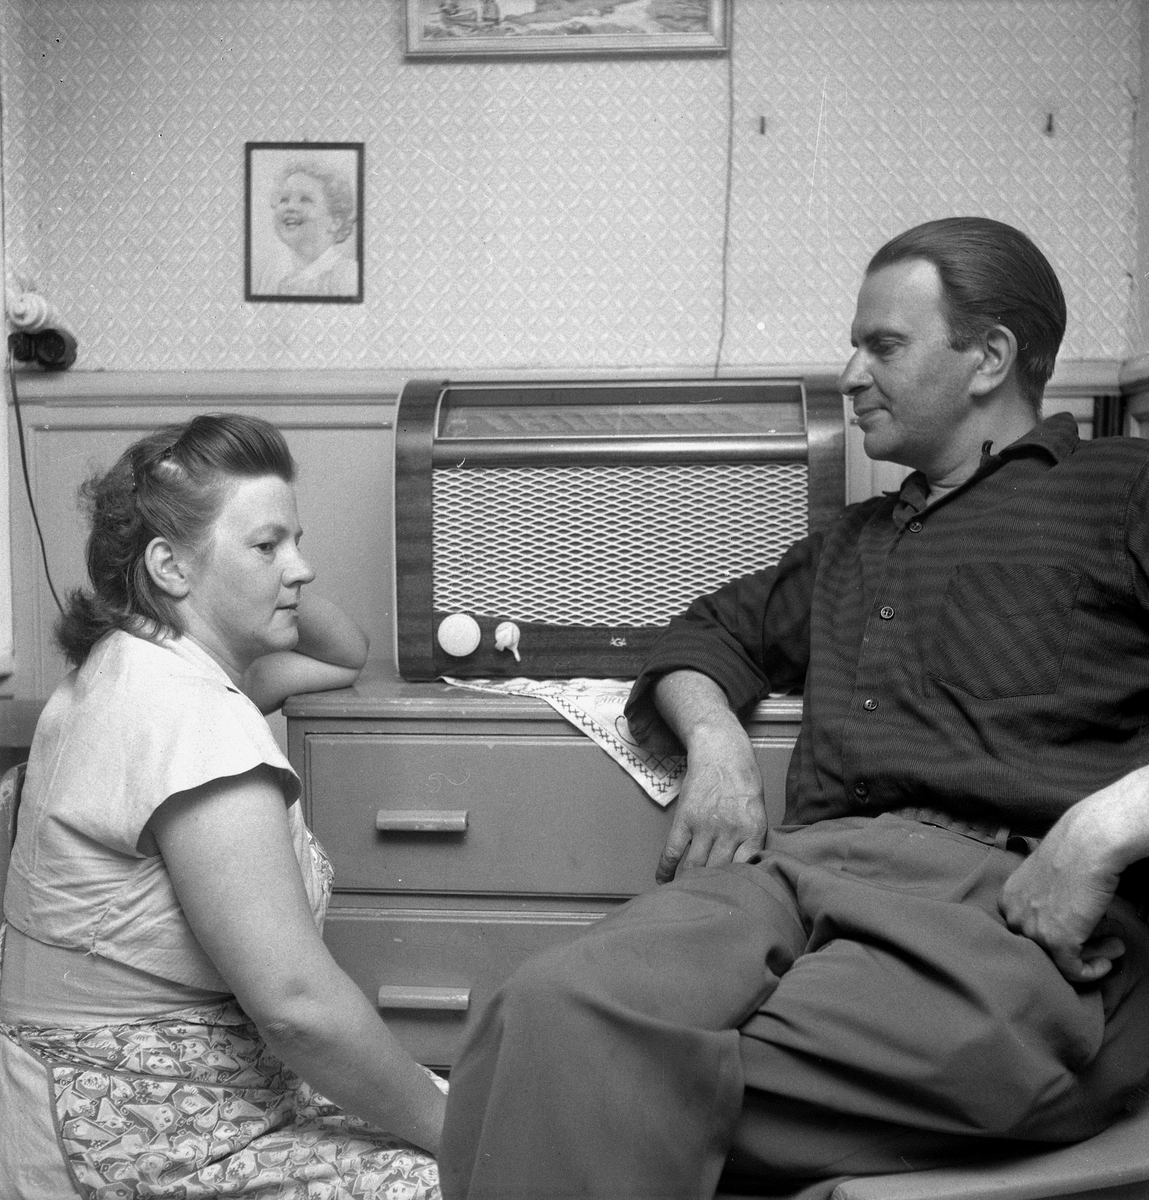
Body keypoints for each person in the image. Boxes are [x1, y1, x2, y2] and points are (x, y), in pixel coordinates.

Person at [437, 217, 1149, 1200]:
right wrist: (716, 741)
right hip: (800, 874)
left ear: (989, 358)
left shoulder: (1121, 489)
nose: (851, 375)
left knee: (594, 1077)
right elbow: (701, 637)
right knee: (540, 1012)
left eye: (883, 346)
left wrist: (1107, 827)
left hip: (1007, 908)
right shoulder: (852, 543)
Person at [0, 414, 445, 1198]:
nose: (303, 567)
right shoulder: (186, 714)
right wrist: (463, 1131)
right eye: (267, 545)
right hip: (140, 1130)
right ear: (169, 566)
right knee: (481, 1162)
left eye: (297, 541)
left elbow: (344, 654)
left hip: (124, 1095)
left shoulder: (135, 664)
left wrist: (264, 572)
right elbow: (296, 1008)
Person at [263, 159, 359, 298]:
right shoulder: (273, 274)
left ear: (335, 222)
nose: (290, 207)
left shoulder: (347, 275)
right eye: (284, 200)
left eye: (305, 199)